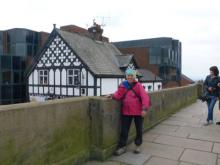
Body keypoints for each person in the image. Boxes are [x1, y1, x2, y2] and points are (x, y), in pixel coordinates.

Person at [106, 68, 151, 155]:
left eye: (131, 76)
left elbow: (145, 97)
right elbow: (118, 94)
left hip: (138, 112)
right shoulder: (123, 85)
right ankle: (122, 147)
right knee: (124, 130)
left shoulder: (138, 86)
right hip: (126, 111)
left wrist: (144, 109)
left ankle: (138, 145)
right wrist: (112, 96)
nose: (130, 77)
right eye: (128, 76)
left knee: (139, 129)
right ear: (126, 76)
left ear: (134, 77)